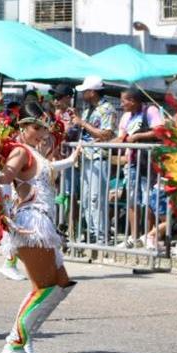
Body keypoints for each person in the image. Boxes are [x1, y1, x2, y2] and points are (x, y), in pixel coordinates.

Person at [0, 103, 79, 353]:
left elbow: (45, 172)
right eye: (35, 127)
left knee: (61, 284)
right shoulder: (20, 151)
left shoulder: (34, 153)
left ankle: (26, 338)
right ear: (22, 127)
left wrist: (71, 160)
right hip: (31, 224)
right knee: (45, 287)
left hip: (44, 224)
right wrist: (5, 212)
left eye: (44, 127)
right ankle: (14, 344)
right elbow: (2, 179)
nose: (42, 132)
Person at [115, 87, 165, 249]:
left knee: (149, 200)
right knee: (131, 199)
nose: (122, 104)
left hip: (148, 163)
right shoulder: (126, 117)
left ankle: (148, 236)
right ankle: (134, 237)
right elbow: (122, 137)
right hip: (131, 162)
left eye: (124, 101)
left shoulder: (150, 110)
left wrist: (138, 136)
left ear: (133, 101)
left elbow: (160, 131)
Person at [72, 76, 116, 244]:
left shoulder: (108, 109)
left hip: (99, 157)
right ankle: (91, 232)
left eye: (85, 91)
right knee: (85, 198)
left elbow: (106, 134)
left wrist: (82, 123)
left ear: (92, 92)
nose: (82, 94)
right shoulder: (87, 110)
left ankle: (101, 235)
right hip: (86, 156)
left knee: (96, 197)